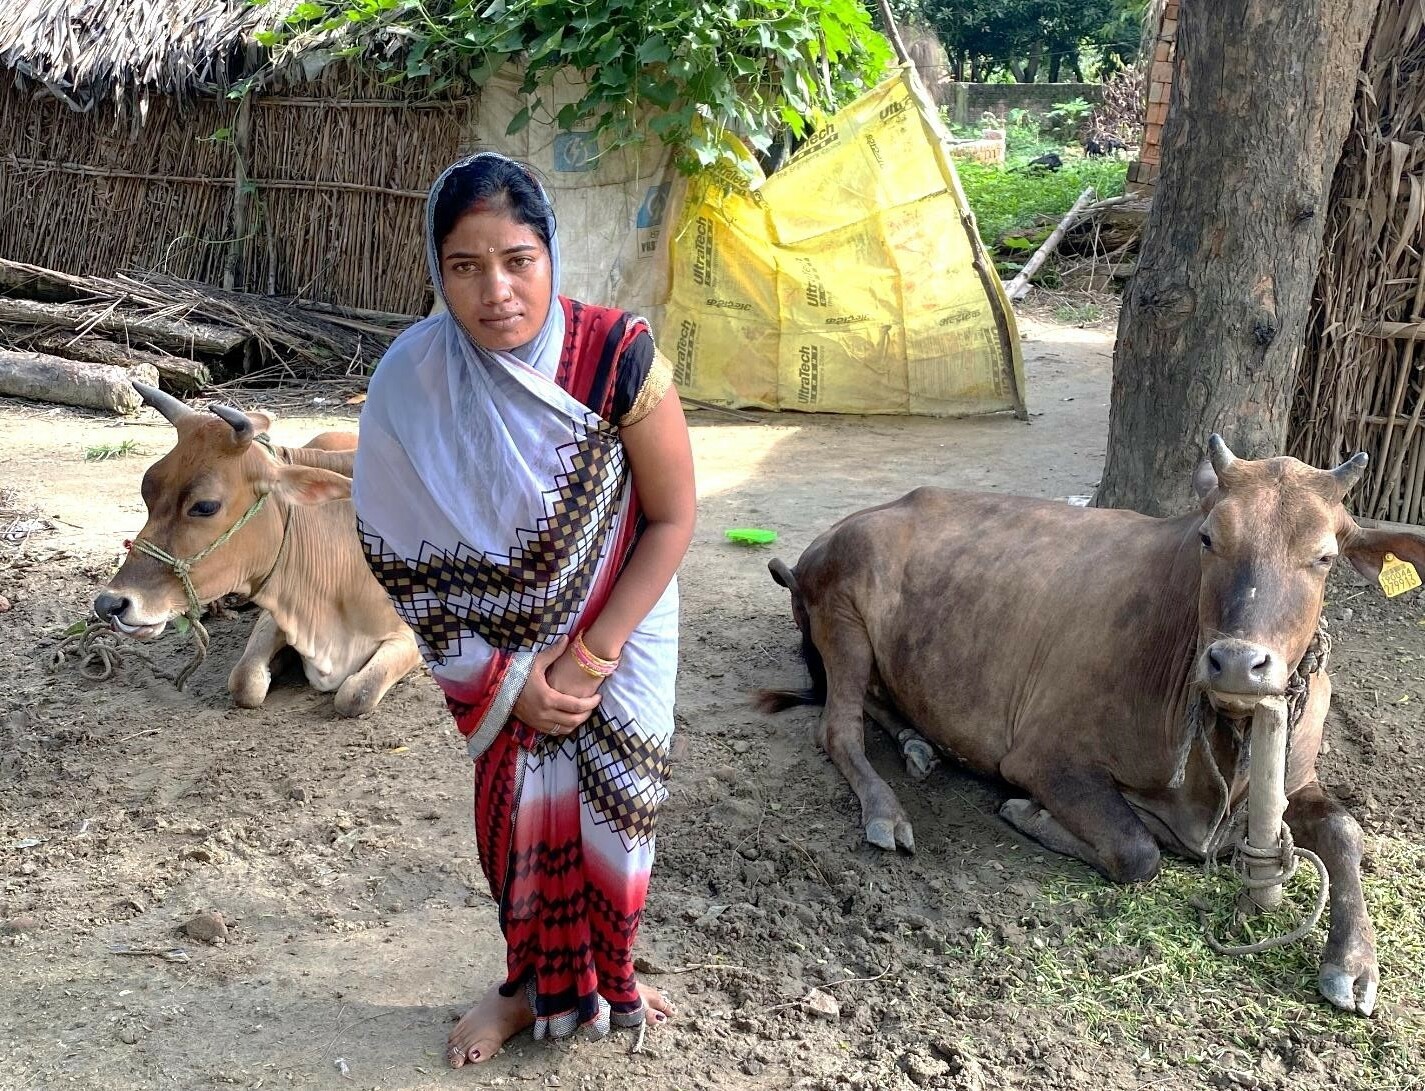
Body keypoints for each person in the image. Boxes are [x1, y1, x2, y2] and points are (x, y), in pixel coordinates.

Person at [351, 152, 695, 1067]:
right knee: (518, 825)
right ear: (437, 273)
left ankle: (608, 972)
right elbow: (397, 550)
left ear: (551, 254)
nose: (495, 290)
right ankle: (522, 986)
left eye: (517, 260)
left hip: (620, 628)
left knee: (620, 813)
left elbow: (671, 517)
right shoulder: (412, 381)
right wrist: (509, 681)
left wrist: (587, 658)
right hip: (497, 653)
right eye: (464, 267)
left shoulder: (617, 355)